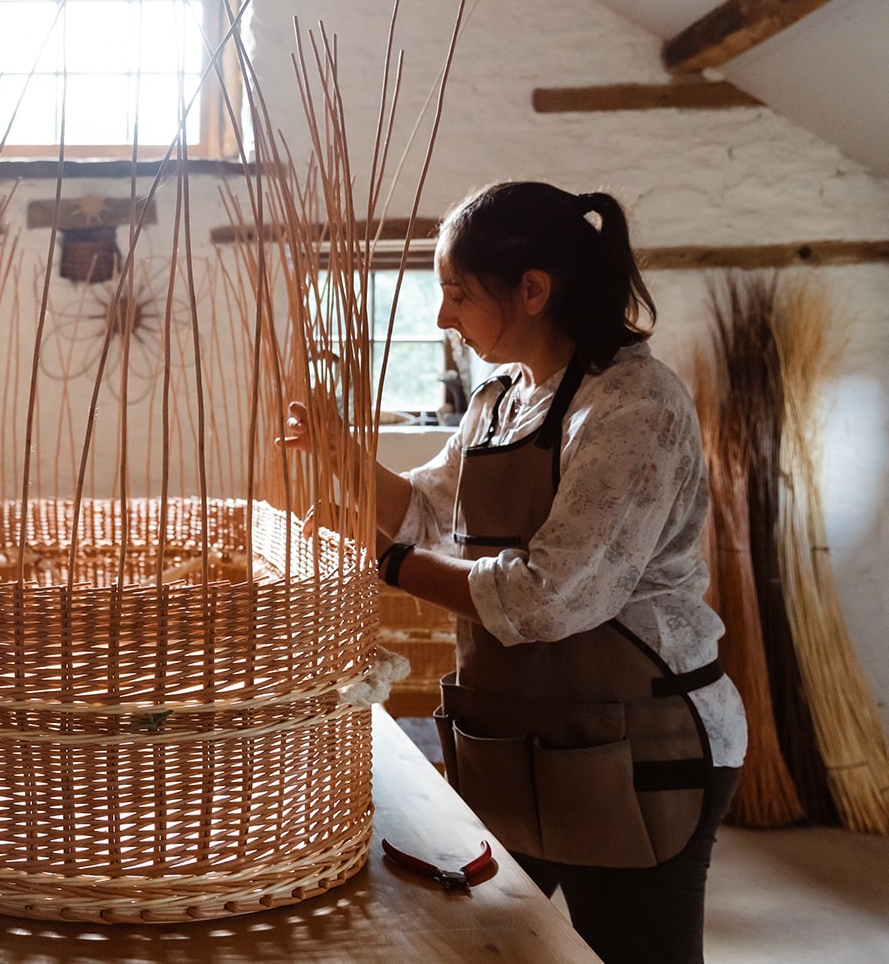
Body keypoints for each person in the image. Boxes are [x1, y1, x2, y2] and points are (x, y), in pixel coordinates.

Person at [283, 181, 746, 964]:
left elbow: (544, 599)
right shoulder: (502, 399)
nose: (442, 318)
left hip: (640, 744)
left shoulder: (633, 406)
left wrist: (385, 562)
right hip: (524, 734)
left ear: (533, 290)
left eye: (457, 294)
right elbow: (429, 510)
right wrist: (339, 451)